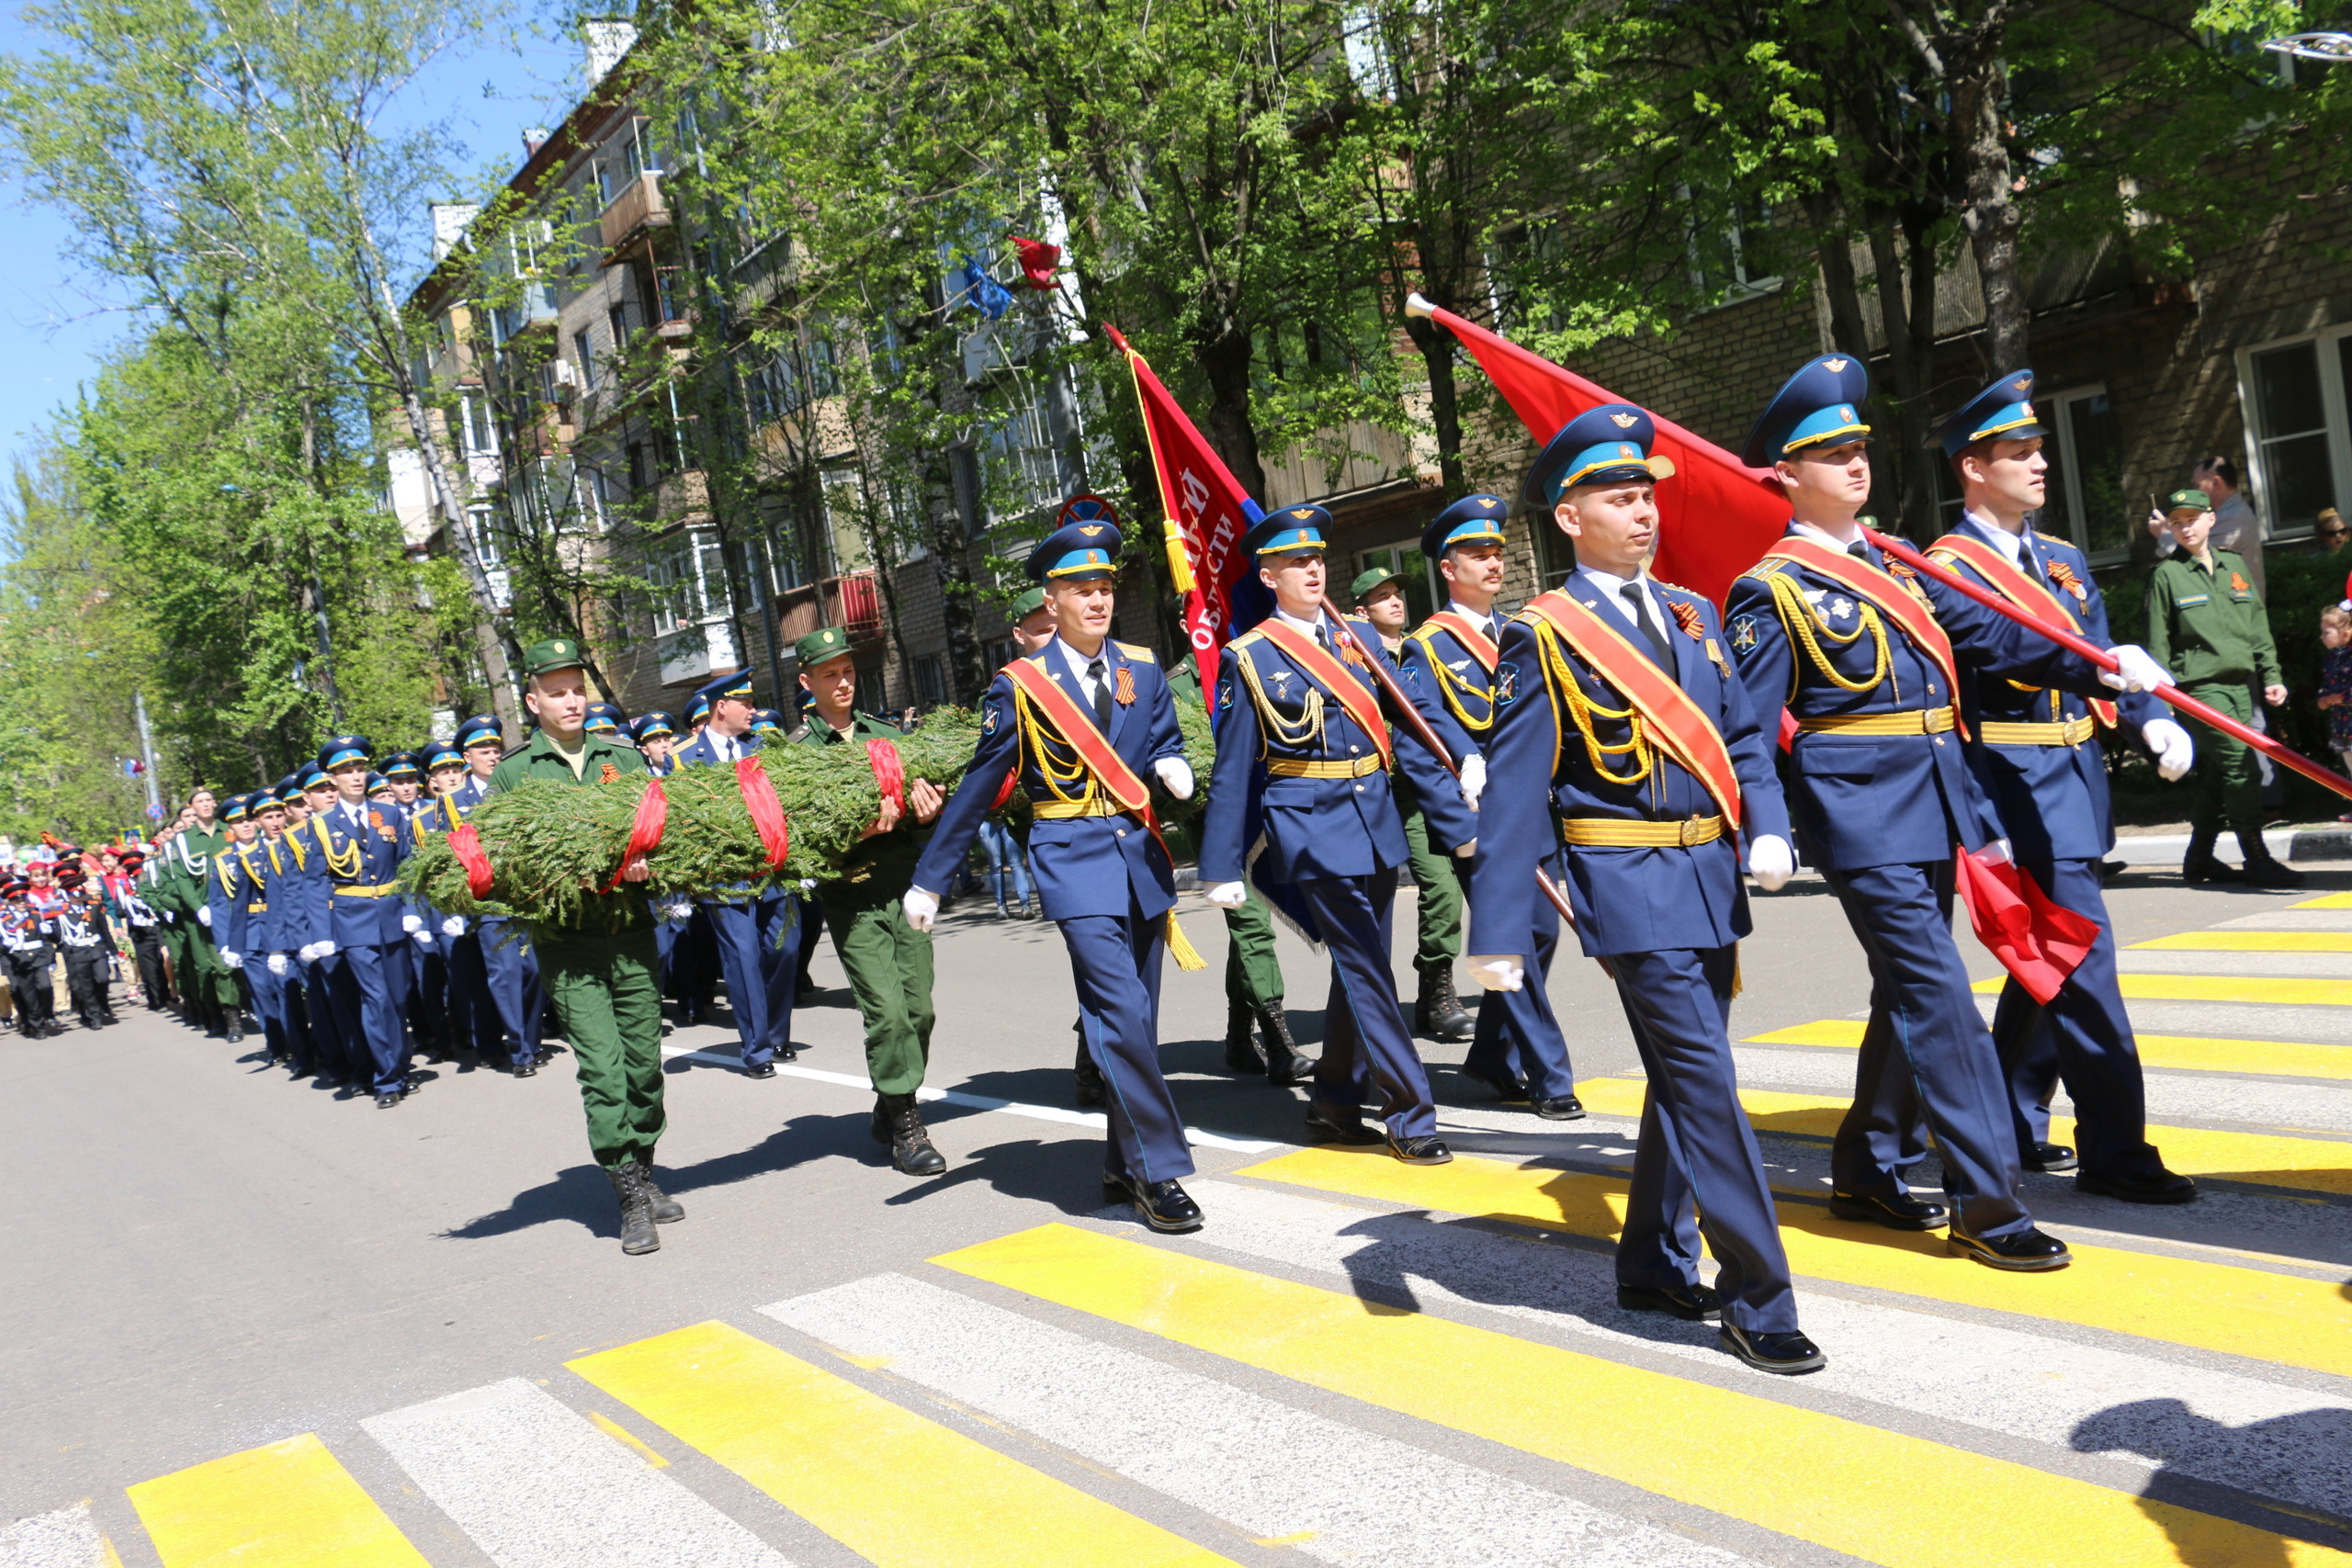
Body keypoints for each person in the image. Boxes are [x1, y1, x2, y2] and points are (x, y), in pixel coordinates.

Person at [1725, 353, 2171, 1270]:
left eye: (1857, 449)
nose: (1854, 465)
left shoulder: (1894, 566)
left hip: (1937, 805)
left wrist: (2100, 662)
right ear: (1785, 474)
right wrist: (1764, 820)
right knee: (1940, 1002)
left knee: (1905, 993)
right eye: (1829, 454)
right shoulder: (1768, 589)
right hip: (1859, 819)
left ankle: (1864, 1160)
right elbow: (1747, 728)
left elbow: (1995, 638)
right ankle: (1986, 1202)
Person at [1464, 404, 1819, 1374]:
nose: (1642, 515)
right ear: (1570, 517)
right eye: (1618, 500)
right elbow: (1514, 786)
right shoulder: (1544, 635)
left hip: (1709, 875)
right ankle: (1759, 1294)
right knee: (1708, 1085)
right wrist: (1496, 926)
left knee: (1679, 1079)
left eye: (1645, 497)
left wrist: (1772, 825)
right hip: (1626, 884)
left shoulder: (1695, 615)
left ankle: (1653, 1260)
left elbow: (1744, 733)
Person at [1928, 370, 2199, 1206]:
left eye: (2039, 447)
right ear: (1974, 468)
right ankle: (2115, 1146)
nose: (2040, 464)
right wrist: (2109, 674)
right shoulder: (1945, 569)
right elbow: (2009, 649)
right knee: (2083, 956)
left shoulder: (2063, 558)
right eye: (2020, 452)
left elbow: (2106, 648)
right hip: (2012, 782)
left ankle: (2009, 1112)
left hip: (2075, 774)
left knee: (2050, 957)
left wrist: (2149, 713)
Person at [906, 518, 1206, 1231]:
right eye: (1082, 589)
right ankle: (1157, 1173)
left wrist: (1171, 761)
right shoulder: (1022, 687)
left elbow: (1160, 734)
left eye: (1104, 587)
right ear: (1053, 599)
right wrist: (931, 877)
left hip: (1139, 858)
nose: (1098, 600)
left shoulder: (1139, 666)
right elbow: (980, 785)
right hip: (1071, 859)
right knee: (1122, 1015)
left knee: (1134, 1023)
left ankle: (1117, 1160)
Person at [1199, 506, 1476, 1165]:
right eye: (1296, 561)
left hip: (1375, 819)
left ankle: (1333, 1098)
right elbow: (1235, 767)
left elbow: (1413, 715)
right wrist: (1219, 863)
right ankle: (1411, 1111)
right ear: (1268, 575)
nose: (1312, 569)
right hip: (1309, 824)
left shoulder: (1360, 640)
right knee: (1368, 968)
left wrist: (1463, 758)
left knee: (1360, 969)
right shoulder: (1252, 656)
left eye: (1318, 558)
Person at [487, 637, 683, 1255]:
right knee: (603, 1069)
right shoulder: (514, 774)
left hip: (628, 933)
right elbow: (498, 864)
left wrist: (649, 862)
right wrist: (552, 878)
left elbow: (662, 831)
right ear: (533, 700)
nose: (571, 700)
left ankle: (644, 1167)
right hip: (568, 943)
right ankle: (627, 1192)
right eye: (557, 691)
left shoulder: (621, 760)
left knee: (645, 1066)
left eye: (578, 688)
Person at [1399, 495, 1582, 1118]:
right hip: (1485, 820)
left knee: (1542, 930)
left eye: (1498, 551)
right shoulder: (1426, 647)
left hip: (1538, 810)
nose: (1493, 561)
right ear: (1449, 568)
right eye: (1479, 553)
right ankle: (1551, 1075)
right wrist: (1460, 830)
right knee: (1517, 942)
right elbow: (1417, 743)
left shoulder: (1521, 632)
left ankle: (1490, 1051)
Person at [790, 624, 952, 1175]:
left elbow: (924, 811)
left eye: (849, 672)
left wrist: (928, 812)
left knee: (921, 1010)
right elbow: (794, 844)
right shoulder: (796, 758)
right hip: (853, 896)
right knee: (886, 1015)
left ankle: (889, 1105)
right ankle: (908, 1126)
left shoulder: (886, 737)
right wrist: (852, 834)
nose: (843, 683)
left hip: (906, 888)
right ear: (806, 681)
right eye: (830, 674)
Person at [1167, 643, 1312, 1089]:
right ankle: (1278, 1038)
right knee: (1252, 926)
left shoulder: (1260, 663)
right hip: (1216, 824)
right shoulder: (1176, 688)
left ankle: (1236, 1036)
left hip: (1267, 815)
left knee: (1246, 928)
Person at [2144, 488, 2300, 887]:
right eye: (2176, 522)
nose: (2184, 528)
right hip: (2199, 689)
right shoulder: (2167, 574)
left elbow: (2257, 625)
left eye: (2191, 519)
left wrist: (2273, 674)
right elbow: (2158, 644)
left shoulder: (2234, 566)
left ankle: (2198, 859)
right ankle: (2256, 857)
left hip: (2238, 686)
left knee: (2217, 773)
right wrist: (2160, 706)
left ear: (2210, 519)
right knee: (2241, 767)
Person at [1354, 564, 1476, 1045]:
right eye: (1382, 597)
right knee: (1441, 888)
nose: (1396, 602)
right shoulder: (1356, 655)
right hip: (1401, 793)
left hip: (1445, 786)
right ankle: (1438, 988)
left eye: (1398, 594)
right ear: (1362, 612)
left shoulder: (1424, 648)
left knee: (1477, 889)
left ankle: (1434, 990)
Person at [672, 668, 800, 1077]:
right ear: (720, 707)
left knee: (785, 949)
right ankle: (758, 1049)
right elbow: (681, 820)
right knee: (744, 958)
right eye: (746, 702)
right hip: (724, 877)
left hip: (772, 869)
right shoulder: (684, 757)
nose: (753, 709)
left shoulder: (763, 748)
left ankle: (778, 1033)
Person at [288, 739, 425, 1109]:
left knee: (397, 999)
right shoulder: (321, 826)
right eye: (346, 772)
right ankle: (386, 1081)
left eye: (359, 769)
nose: (355, 777)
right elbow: (314, 883)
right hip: (353, 921)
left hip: (393, 915)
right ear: (332, 779)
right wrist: (321, 933)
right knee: (375, 998)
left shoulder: (389, 814)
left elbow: (407, 865)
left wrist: (413, 908)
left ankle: (400, 1066)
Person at [453, 714, 548, 1068]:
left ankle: (532, 1038)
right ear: (467, 757)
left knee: (534, 971)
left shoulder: (516, 789)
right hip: (487, 902)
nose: (492, 756)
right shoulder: (453, 802)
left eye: (495, 749)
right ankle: (521, 1049)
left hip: (524, 895)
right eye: (483, 751)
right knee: (505, 975)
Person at [1, 879, 59, 1039]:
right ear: (11, 903)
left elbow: (47, 940)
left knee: (45, 987)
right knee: (27, 995)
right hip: (19, 962)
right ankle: (37, 1026)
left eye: (23, 900)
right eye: (17, 901)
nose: (21, 903)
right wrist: (5, 945)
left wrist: (51, 957)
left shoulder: (35, 914)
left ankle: (48, 1014)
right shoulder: (4, 920)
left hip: (39, 957)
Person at [2319, 606, 2352, 818]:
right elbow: (2326, 685)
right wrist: (2323, 699)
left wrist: (2345, 698)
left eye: (2326, 632)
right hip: (2341, 723)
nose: (2321, 636)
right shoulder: (2331, 658)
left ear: (2345, 633)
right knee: (2350, 766)